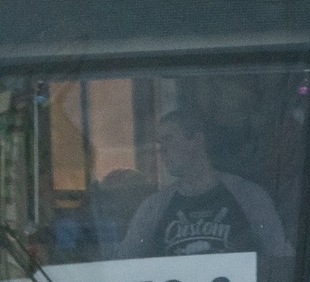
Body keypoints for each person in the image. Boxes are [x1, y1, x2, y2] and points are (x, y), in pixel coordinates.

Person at [116, 108, 292, 261]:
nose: (163, 150)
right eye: (160, 144)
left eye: (169, 139)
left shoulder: (247, 195)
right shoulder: (153, 207)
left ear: (197, 141)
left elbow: (277, 256)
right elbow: (126, 261)